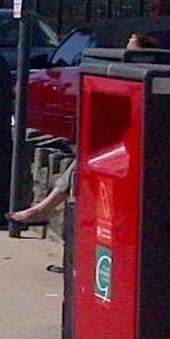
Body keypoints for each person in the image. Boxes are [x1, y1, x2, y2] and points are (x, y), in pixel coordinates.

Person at [9, 32, 161, 225]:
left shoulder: (142, 83)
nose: (126, 58)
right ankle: (45, 209)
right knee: (85, 156)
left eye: (131, 51)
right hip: (118, 146)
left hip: (133, 151)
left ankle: (44, 209)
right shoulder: (122, 80)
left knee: (88, 158)